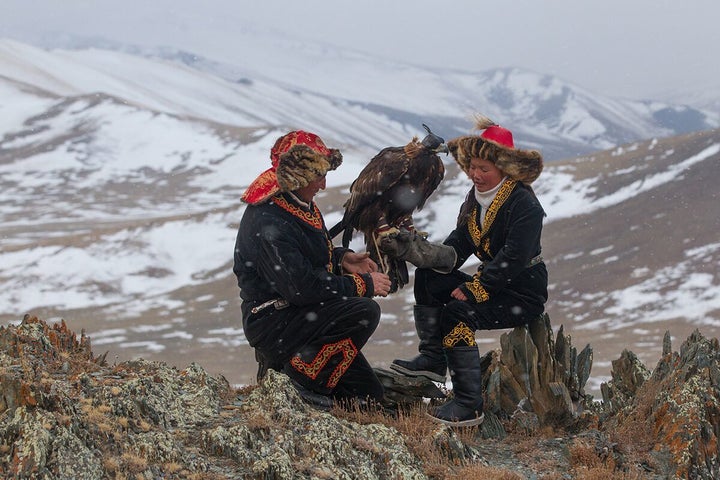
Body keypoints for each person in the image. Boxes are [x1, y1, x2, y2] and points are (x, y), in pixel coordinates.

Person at [382, 115, 547, 426]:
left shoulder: (524, 205)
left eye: (483, 169)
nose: (475, 174)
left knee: (457, 313)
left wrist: (476, 288)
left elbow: (515, 256)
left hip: (522, 292)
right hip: (496, 285)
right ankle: (432, 360)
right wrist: (413, 249)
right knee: (430, 276)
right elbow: (455, 250)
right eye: (472, 167)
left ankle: (468, 405)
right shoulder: (477, 202)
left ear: (505, 169)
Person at [233, 130, 392, 409]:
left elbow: (306, 260)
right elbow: (301, 287)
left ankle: (284, 371)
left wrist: (342, 259)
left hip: (299, 318)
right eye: (319, 176)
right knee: (364, 311)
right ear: (299, 176)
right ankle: (300, 384)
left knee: (367, 398)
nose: (323, 185)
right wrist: (362, 285)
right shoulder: (268, 218)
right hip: (275, 322)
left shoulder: (297, 203)